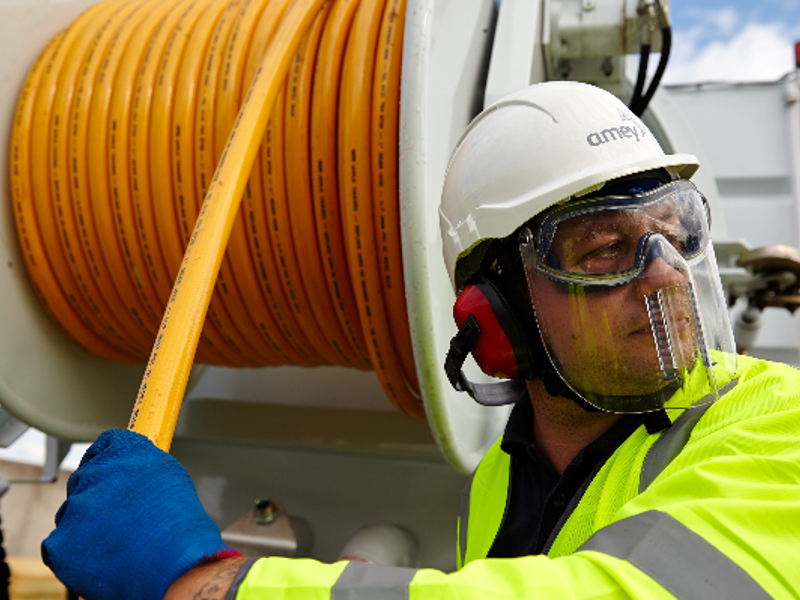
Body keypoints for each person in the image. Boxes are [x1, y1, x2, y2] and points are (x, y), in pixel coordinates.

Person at [42, 82, 800, 599]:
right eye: (605, 248)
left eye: (674, 234)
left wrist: (209, 584)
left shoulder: (779, 424)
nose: (663, 274)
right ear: (496, 312)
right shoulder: (499, 481)